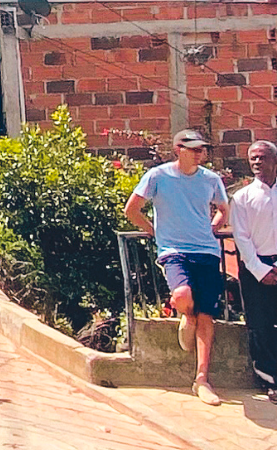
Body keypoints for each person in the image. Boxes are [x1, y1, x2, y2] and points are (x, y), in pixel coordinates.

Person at [123, 129, 230, 406]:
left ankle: (202, 379)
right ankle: (187, 316)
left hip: (207, 252)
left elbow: (223, 209)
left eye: (202, 149)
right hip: (174, 251)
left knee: (208, 315)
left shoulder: (211, 179)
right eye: (193, 149)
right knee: (182, 295)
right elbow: (131, 209)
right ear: (178, 149)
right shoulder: (158, 176)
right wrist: (153, 231)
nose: (199, 154)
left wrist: (214, 226)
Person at [230, 140, 277, 403]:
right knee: (261, 326)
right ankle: (271, 380)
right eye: (253, 159)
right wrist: (261, 270)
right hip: (254, 268)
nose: (257, 163)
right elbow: (242, 238)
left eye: (262, 158)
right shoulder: (242, 197)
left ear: (274, 161)